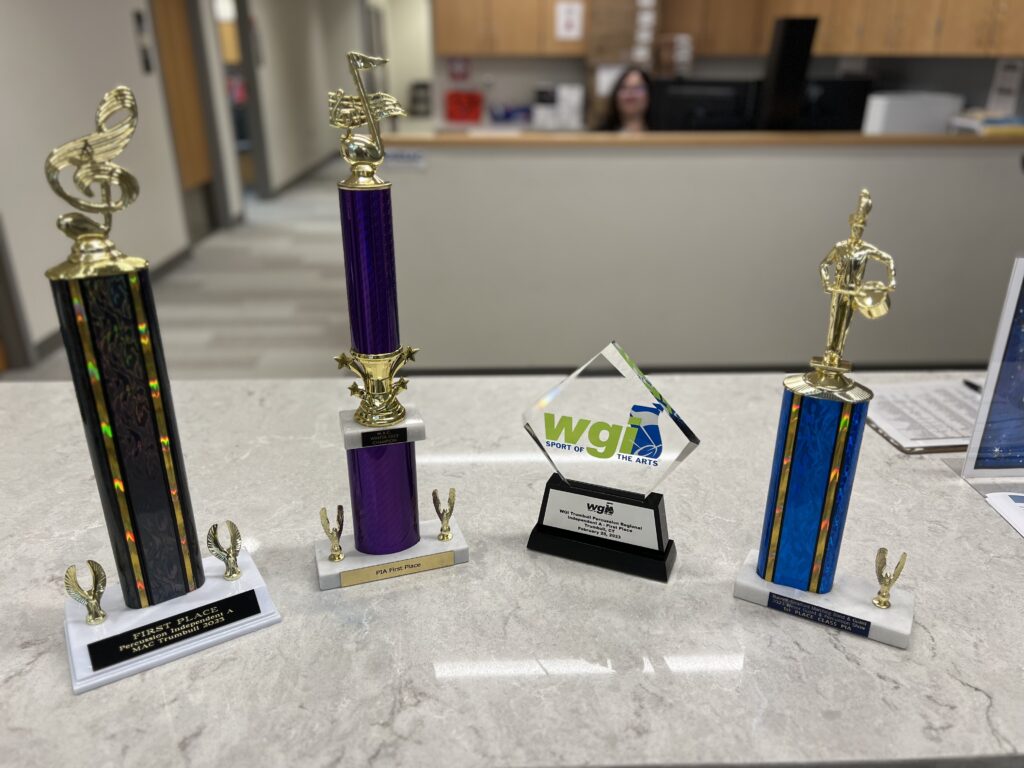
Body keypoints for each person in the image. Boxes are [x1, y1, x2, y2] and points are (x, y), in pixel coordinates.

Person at [600, 67, 653, 132]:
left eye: (637, 88)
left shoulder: (663, 134)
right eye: (624, 88)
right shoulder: (597, 136)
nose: (631, 93)